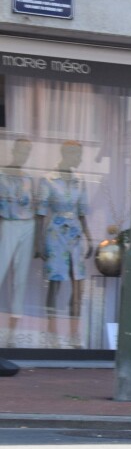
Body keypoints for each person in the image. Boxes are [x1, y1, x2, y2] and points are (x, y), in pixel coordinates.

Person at [34, 140, 93, 347]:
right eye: (77, 154)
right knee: (55, 284)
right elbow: (40, 214)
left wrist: (89, 236)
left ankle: (74, 336)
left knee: (78, 286)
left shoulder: (80, 180)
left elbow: (82, 212)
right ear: (67, 154)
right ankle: (51, 336)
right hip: (56, 234)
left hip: (75, 235)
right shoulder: (48, 179)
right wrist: (38, 243)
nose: (79, 158)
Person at [0, 137, 36, 347]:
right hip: (8, 223)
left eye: (27, 151)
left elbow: (33, 205)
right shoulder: (2, 174)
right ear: (14, 150)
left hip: (27, 224)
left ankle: (12, 335)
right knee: (1, 271)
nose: (24, 155)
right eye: (21, 150)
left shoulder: (28, 178)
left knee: (20, 277)